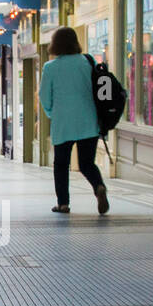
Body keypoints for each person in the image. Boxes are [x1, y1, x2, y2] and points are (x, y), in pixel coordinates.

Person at [39, 26, 108, 215]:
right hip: (88, 120)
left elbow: (44, 96)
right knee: (87, 163)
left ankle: (63, 204)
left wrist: (52, 112)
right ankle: (99, 186)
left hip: (63, 123)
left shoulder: (50, 67)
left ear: (55, 44)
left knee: (61, 164)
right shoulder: (88, 61)